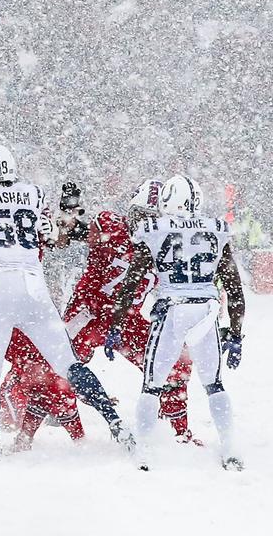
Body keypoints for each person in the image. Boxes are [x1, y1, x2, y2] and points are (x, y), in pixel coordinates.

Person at [0, 143, 133, 462]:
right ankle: (116, 424)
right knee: (69, 363)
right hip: (34, 287)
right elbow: (47, 234)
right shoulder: (32, 193)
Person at [108, 175, 245, 471]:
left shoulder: (154, 230)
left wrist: (116, 323)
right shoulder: (216, 230)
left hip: (173, 310)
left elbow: (131, 284)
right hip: (206, 312)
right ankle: (230, 446)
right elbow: (234, 288)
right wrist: (236, 333)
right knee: (214, 384)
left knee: (152, 385)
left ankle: (144, 447)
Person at [60, 180, 196, 441]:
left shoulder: (164, 247)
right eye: (140, 216)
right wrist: (70, 213)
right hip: (88, 314)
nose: (144, 224)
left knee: (174, 364)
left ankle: (180, 433)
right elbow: (73, 232)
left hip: (126, 320)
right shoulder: (110, 225)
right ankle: (14, 410)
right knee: (51, 364)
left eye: (152, 218)